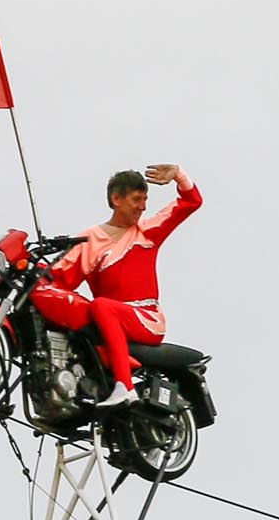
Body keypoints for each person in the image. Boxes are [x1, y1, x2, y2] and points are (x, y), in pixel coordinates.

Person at [31, 161, 201, 408]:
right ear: (116, 199)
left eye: (145, 200)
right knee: (83, 313)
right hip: (109, 321)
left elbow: (191, 202)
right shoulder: (89, 240)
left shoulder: (147, 232)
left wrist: (178, 175)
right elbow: (58, 278)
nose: (142, 207)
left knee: (100, 306)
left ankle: (125, 387)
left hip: (145, 317)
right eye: (136, 199)